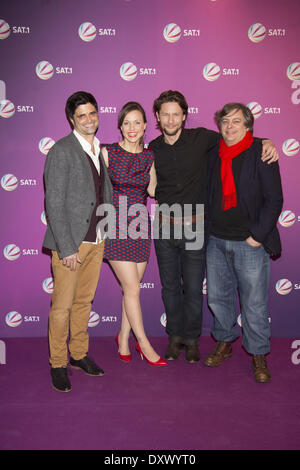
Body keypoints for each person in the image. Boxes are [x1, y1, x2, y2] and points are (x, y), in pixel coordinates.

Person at [149, 90, 279, 364]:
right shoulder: (155, 148)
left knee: (203, 291)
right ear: (158, 118)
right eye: (165, 114)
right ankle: (182, 339)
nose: (171, 119)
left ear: (184, 116)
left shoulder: (204, 140)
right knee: (181, 291)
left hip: (206, 231)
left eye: (176, 114)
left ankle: (205, 343)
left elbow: (241, 142)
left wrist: (266, 141)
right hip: (177, 230)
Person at [204, 103, 283, 382]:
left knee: (255, 303)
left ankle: (258, 354)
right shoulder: (214, 153)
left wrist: (256, 237)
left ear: (248, 125)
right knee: (217, 297)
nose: (229, 126)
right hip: (215, 240)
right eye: (225, 121)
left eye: (236, 121)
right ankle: (225, 342)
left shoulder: (261, 152)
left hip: (249, 243)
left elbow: (275, 200)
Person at [43, 91, 113, 392]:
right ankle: (58, 363)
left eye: (92, 113)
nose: (89, 119)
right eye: (82, 115)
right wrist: (67, 247)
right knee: (62, 307)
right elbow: (54, 204)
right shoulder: (62, 150)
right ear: (72, 119)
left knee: (84, 303)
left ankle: (79, 355)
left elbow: (102, 194)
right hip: (71, 244)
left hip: (96, 240)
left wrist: (105, 233)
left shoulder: (99, 148)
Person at [101, 102, 167, 366]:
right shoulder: (107, 152)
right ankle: (145, 345)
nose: (132, 128)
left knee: (132, 290)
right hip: (115, 225)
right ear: (119, 125)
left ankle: (124, 338)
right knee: (131, 288)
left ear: (145, 126)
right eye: (126, 122)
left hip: (139, 227)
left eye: (137, 122)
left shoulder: (149, 156)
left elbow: (152, 190)